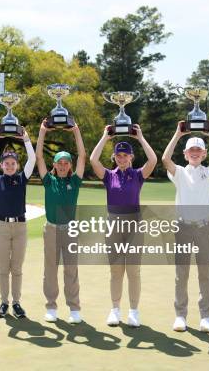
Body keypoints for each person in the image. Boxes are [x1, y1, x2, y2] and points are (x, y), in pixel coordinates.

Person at [161, 121, 209, 333]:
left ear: (204, 153)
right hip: (183, 228)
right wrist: (178, 133)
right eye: (191, 150)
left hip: (203, 228)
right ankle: (180, 315)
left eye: (198, 150)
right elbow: (164, 159)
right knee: (182, 274)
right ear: (185, 153)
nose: (195, 153)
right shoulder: (179, 172)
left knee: (204, 273)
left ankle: (205, 317)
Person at [89, 125, 157, 327]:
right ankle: (115, 310)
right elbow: (93, 160)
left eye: (125, 155)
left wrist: (142, 137)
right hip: (113, 225)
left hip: (134, 225)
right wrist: (104, 137)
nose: (122, 158)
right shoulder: (109, 176)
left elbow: (153, 160)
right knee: (116, 271)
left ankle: (134, 312)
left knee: (133, 271)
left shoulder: (138, 175)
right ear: (115, 157)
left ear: (131, 157)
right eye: (118, 155)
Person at [35, 121, 86, 324]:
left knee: (71, 269)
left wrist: (76, 130)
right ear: (54, 165)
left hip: (70, 230)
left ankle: (74, 308)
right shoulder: (49, 181)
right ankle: (51, 307)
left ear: (70, 166)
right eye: (59, 162)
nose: (63, 166)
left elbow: (83, 156)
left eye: (66, 163)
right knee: (50, 270)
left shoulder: (75, 181)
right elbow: (38, 156)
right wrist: (42, 131)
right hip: (51, 229)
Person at [0, 129, 35, 318]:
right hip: (2, 227)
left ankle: (16, 303)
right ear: (1, 165)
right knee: (3, 268)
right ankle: (4, 302)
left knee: (17, 268)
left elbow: (32, 160)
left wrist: (27, 140)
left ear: (17, 165)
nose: (10, 166)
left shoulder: (22, 178)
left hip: (20, 227)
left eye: (13, 163)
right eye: (7, 163)